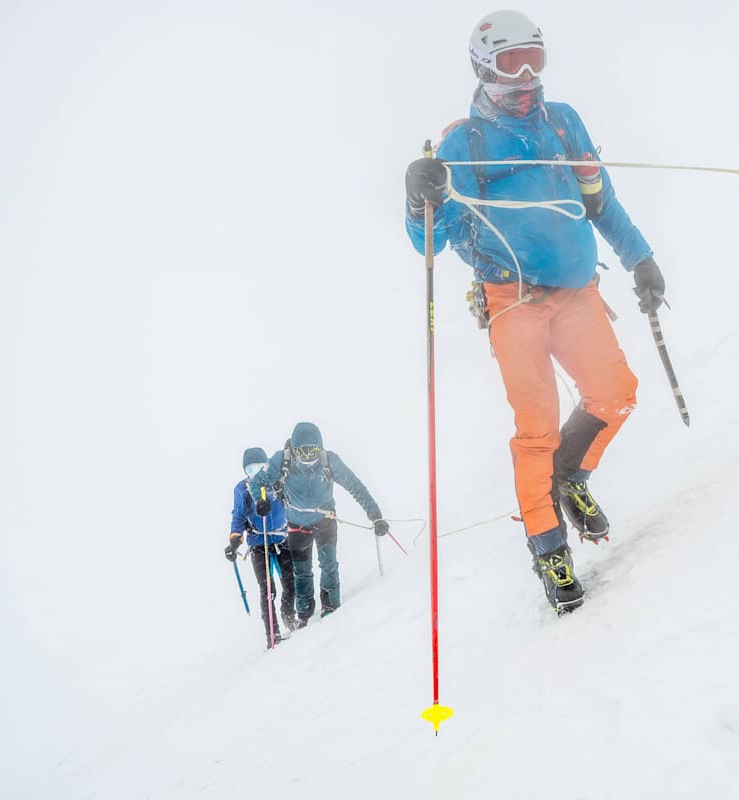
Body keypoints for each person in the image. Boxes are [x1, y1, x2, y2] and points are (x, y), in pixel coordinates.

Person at [402, 10, 667, 613]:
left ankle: (569, 477)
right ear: (482, 68)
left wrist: (640, 259)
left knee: (616, 392)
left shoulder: (563, 122)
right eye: (509, 62)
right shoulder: (462, 143)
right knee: (537, 429)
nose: (525, 76)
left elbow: (601, 202)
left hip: (577, 292)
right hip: (511, 302)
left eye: (534, 60)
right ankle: (549, 550)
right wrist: (418, 193)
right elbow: (428, 241)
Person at [247, 422, 390, 627]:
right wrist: (260, 500)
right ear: (293, 451)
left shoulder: (329, 461)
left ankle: (331, 606)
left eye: (312, 451)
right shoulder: (282, 460)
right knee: (302, 571)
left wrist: (375, 515)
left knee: (329, 564)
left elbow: (355, 486)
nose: (308, 457)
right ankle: (304, 614)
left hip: (326, 521)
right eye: (302, 452)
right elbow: (256, 482)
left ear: (320, 448)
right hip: (297, 524)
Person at [227, 446, 297, 649]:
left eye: (258, 467)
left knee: (291, 581)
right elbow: (238, 516)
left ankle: (288, 615)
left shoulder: (277, 482)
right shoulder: (242, 489)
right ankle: (272, 635)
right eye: (249, 469)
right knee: (267, 590)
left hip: (282, 539)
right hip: (259, 544)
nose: (254, 472)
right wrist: (234, 539)